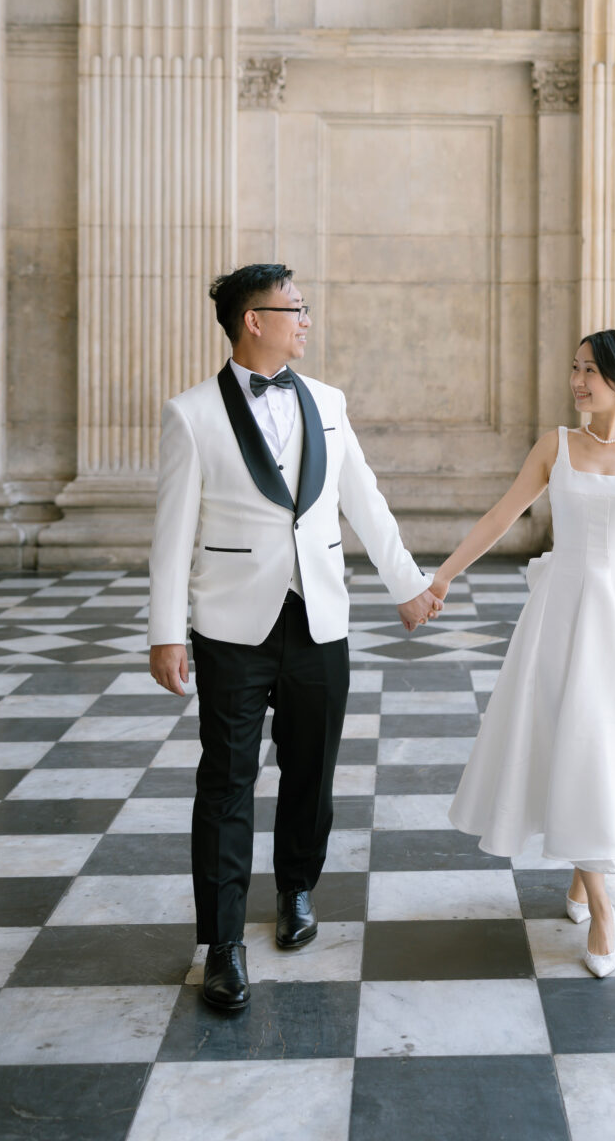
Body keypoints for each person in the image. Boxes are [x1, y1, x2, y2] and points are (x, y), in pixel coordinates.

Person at [148, 263, 441, 1010]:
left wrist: (407, 585)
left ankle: (297, 891)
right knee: (226, 781)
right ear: (254, 320)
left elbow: (363, 500)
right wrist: (164, 632)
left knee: (312, 772)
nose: (306, 318)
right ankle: (222, 945)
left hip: (319, 617)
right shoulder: (190, 415)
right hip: (229, 626)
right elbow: (171, 534)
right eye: (294, 308)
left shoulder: (329, 402)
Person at [435, 329, 615, 978]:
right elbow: (501, 517)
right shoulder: (554, 447)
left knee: (604, 749)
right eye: (574, 368)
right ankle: (602, 908)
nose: (576, 381)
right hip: (561, 617)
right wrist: (444, 574)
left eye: (590, 371)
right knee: (575, 741)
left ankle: (581, 878)